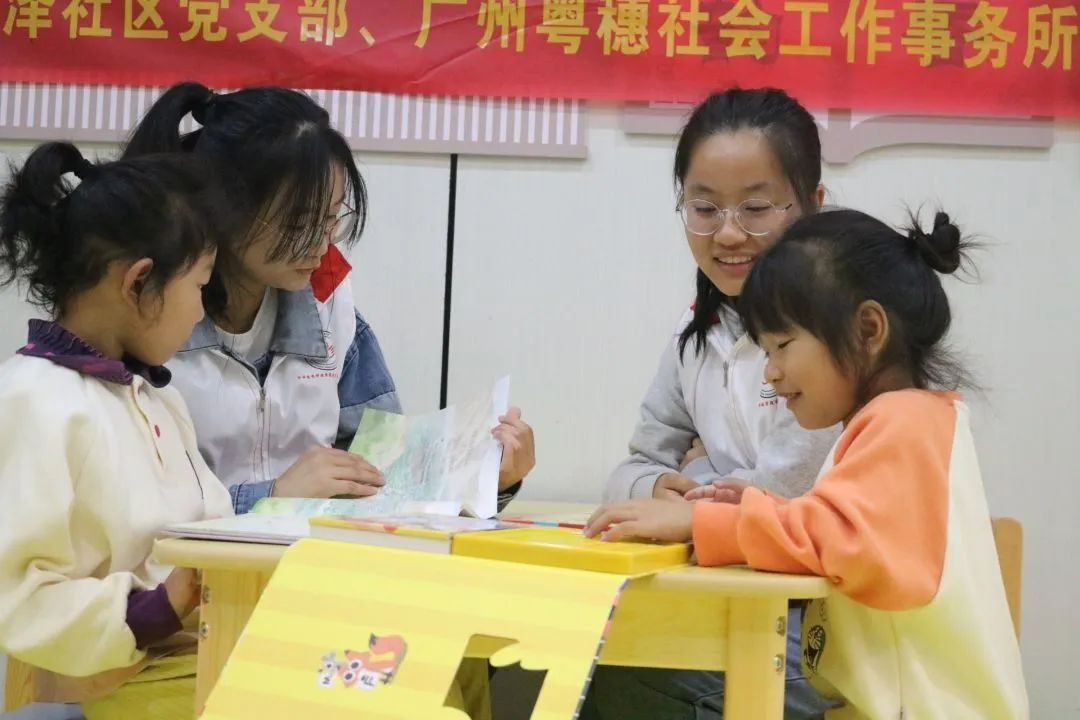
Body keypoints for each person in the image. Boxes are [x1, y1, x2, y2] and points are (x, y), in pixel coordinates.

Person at [587, 209, 1029, 719]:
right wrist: (761, 507)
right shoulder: (899, 420)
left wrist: (701, 521)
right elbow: (852, 529)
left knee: (627, 671)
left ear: (868, 329)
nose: (771, 373)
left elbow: (845, 540)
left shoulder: (903, 421)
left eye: (781, 346)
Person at [123, 83, 535, 514]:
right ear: (225, 210)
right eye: (299, 223)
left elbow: (384, 472)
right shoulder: (152, 319)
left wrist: (489, 479)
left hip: (310, 549)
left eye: (332, 217)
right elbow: (130, 503)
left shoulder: (328, 303)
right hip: (185, 557)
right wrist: (272, 497)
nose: (323, 245)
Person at [590, 87, 839, 719]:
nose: (729, 233)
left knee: (624, 671)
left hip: (828, 628)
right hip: (730, 594)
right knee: (589, 646)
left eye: (756, 208)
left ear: (813, 204)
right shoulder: (698, 332)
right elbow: (635, 466)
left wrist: (697, 482)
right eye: (704, 208)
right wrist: (662, 487)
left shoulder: (836, 335)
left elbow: (790, 490)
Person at [0, 142, 235, 719]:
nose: (201, 311)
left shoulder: (153, 395)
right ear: (138, 283)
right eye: (199, 286)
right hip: (126, 681)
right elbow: (17, 595)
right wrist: (157, 608)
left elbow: (208, 526)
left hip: (195, 653)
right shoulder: (34, 399)